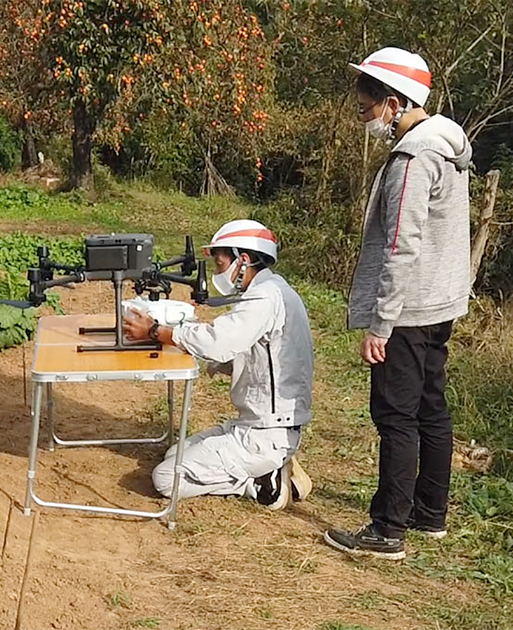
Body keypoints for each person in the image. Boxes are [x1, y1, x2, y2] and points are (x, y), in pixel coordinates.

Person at [322, 47, 472, 560]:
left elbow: (400, 244)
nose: (365, 116)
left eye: (367, 107)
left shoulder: (414, 156)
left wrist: (380, 324)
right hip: (440, 303)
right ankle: (430, 514)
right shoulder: (448, 145)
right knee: (431, 410)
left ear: (393, 101)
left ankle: (387, 531)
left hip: (407, 310)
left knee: (395, 417)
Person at [122, 219, 315, 510]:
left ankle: (262, 483)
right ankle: (268, 466)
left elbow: (218, 342)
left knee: (165, 478)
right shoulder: (273, 290)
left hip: (264, 434)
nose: (217, 272)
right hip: (256, 425)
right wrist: (185, 338)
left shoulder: (264, 298)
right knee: (174, 456)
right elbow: (242, 352)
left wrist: (156, 331)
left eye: (221, 263)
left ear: (244, 259)